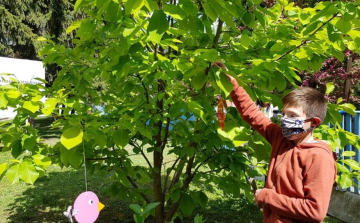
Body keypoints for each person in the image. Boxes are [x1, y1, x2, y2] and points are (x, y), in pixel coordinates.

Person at [212, 61, 337, 223]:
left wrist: (267, 196)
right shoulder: (280, 137)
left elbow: (315, 211)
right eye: (284, 114)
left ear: (314, 122)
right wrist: (230, 82)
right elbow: (252, 113)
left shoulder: (319, 157)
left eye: (292, 116)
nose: (285, 120)